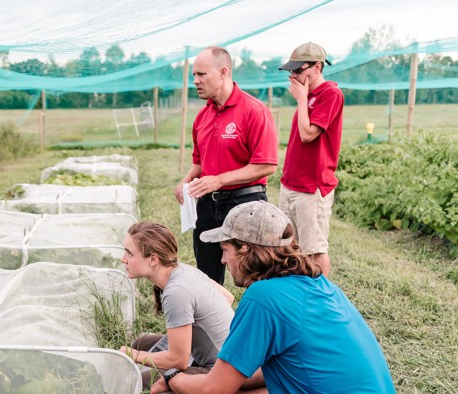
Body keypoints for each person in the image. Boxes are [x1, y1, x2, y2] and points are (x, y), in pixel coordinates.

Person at [164, 201, 395, 394]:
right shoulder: (319, 284)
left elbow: (213, 389)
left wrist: (172, 378)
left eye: (225, 250)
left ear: (244, 249)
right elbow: (261, 371)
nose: (223, 261)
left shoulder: (264, 297)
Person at [174, 46, 279, 286]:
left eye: (201, 75)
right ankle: (214, 321)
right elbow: (200, 163)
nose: (195, 81)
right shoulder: (202, 117)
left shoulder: (254, 111)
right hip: (208, 205)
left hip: (246, 203)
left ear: (223, 72)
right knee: (208, 276)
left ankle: (263, 317)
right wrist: (185, 181)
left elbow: (267, 165)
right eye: (193, 76)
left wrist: (219, 179)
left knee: (258, 272)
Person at [117, 221, 236, 391]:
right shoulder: (182, 270)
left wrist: (133, 355)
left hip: (218, 369)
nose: (123, 259)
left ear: (153, 259)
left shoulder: (176, 292)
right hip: (220, 351)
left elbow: (178, 360)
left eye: (129, 253)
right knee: (142, 342)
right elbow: (227, 297)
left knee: (135, 381)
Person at [278, 42, 344, 276]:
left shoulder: (330, 94)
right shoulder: (309, 95)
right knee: (288, 247)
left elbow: (308, 135)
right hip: (291, 184)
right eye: (291, 71)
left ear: (317, 67)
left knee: (314, 250)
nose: (293, 75)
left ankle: (321, 302)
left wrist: (300, 99)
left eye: (298, 70)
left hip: (311, 187)